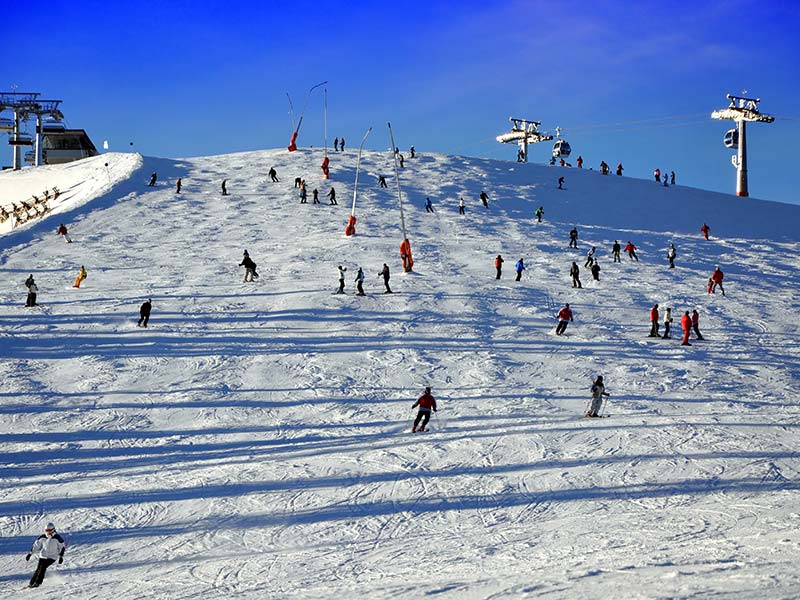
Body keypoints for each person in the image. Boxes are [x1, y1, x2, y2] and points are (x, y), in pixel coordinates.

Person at [25, 522, 66, 588]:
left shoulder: (57, 538)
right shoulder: (42, 537)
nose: (48, 532)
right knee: (38, 569)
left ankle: (38, 583)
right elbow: (36, 546)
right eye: (46, 530)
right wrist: (30, 554)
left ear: (53, 530)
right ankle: (31, 583)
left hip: (52, 557)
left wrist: (61, 557)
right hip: (43, 556)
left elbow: (62, 547)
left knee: (43, 567)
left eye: (49, 530)